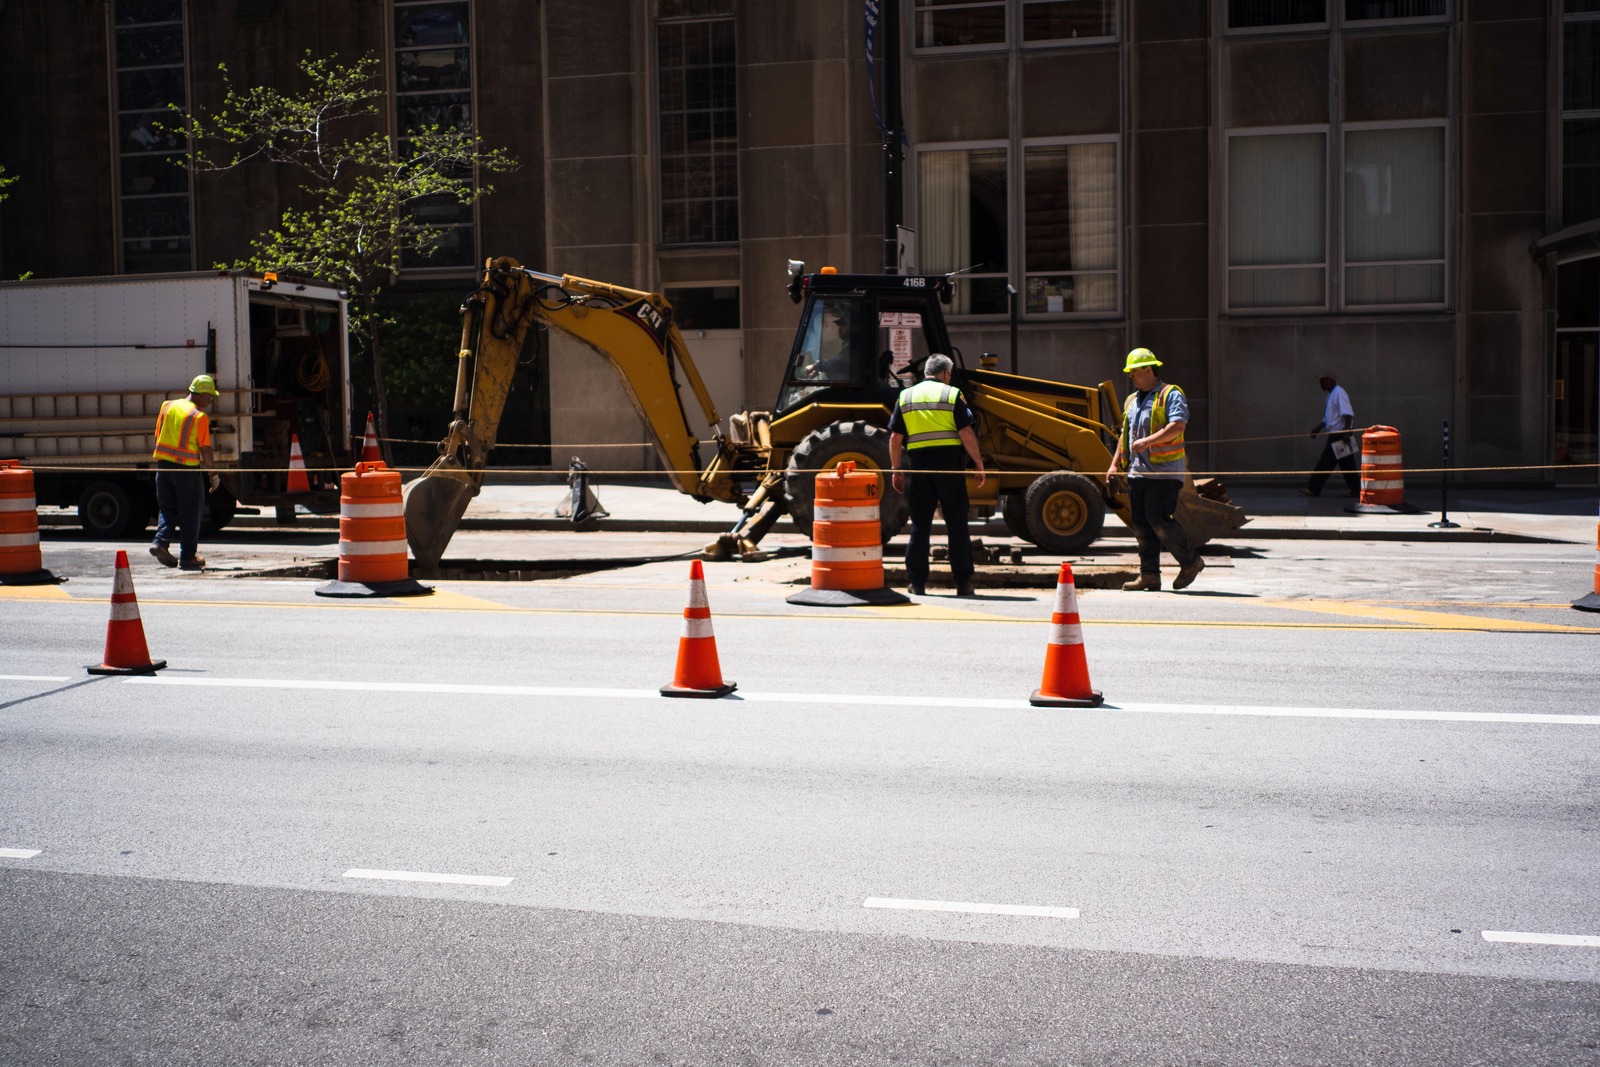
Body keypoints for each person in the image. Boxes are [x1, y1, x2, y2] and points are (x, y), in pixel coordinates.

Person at [1104, 347, 1205, 591]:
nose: (1131, 376)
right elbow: (1124, 437)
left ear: (1149, 369)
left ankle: (1190, 561)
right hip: (1138, 473)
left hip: (1164, 473)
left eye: (1134, 371)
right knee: (1141, 524)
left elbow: (1178, 426)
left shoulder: (1170, 394)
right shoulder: (1132, 400)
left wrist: (1149, 442)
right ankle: (1149, 575)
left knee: (1157, 518)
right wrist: (1114, 465)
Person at [889, 353, 986, 597]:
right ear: (944, 373)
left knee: (920, 525)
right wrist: (978, 462)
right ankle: (963, 584)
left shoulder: (905, 395)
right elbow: (965, 431)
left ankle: (917, 583)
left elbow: (895, 438)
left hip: (919, 466)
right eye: (949, 374)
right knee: (957, 524)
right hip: (948, 466)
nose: (949, 378)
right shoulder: (951, 393)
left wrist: (896, 469)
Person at [150, 374, 220, 571]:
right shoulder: (199, 416)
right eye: (210, 396)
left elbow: (157, 433)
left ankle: (160, 542)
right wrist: (213, 474)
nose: (211, 400)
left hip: (163, 467)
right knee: (190, 513)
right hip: (186, 471)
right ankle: (187, 558)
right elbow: (205, 449)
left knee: (167, 508)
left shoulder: (167, 406)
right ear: (199, 395)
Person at [1302, 372, 1360, 497]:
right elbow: (1330, 419)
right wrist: (1318, 428)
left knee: (1325, 462)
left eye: (1322, 380)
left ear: (1330, 380)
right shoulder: (1332, 394)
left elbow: (1348, 414)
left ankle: (1313, 488)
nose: (1321, 384)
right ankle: (1356, 490)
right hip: (1338, 434)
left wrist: (1346, 432)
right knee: (1347, 465)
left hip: (1339, 435)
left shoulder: (1339, 393)